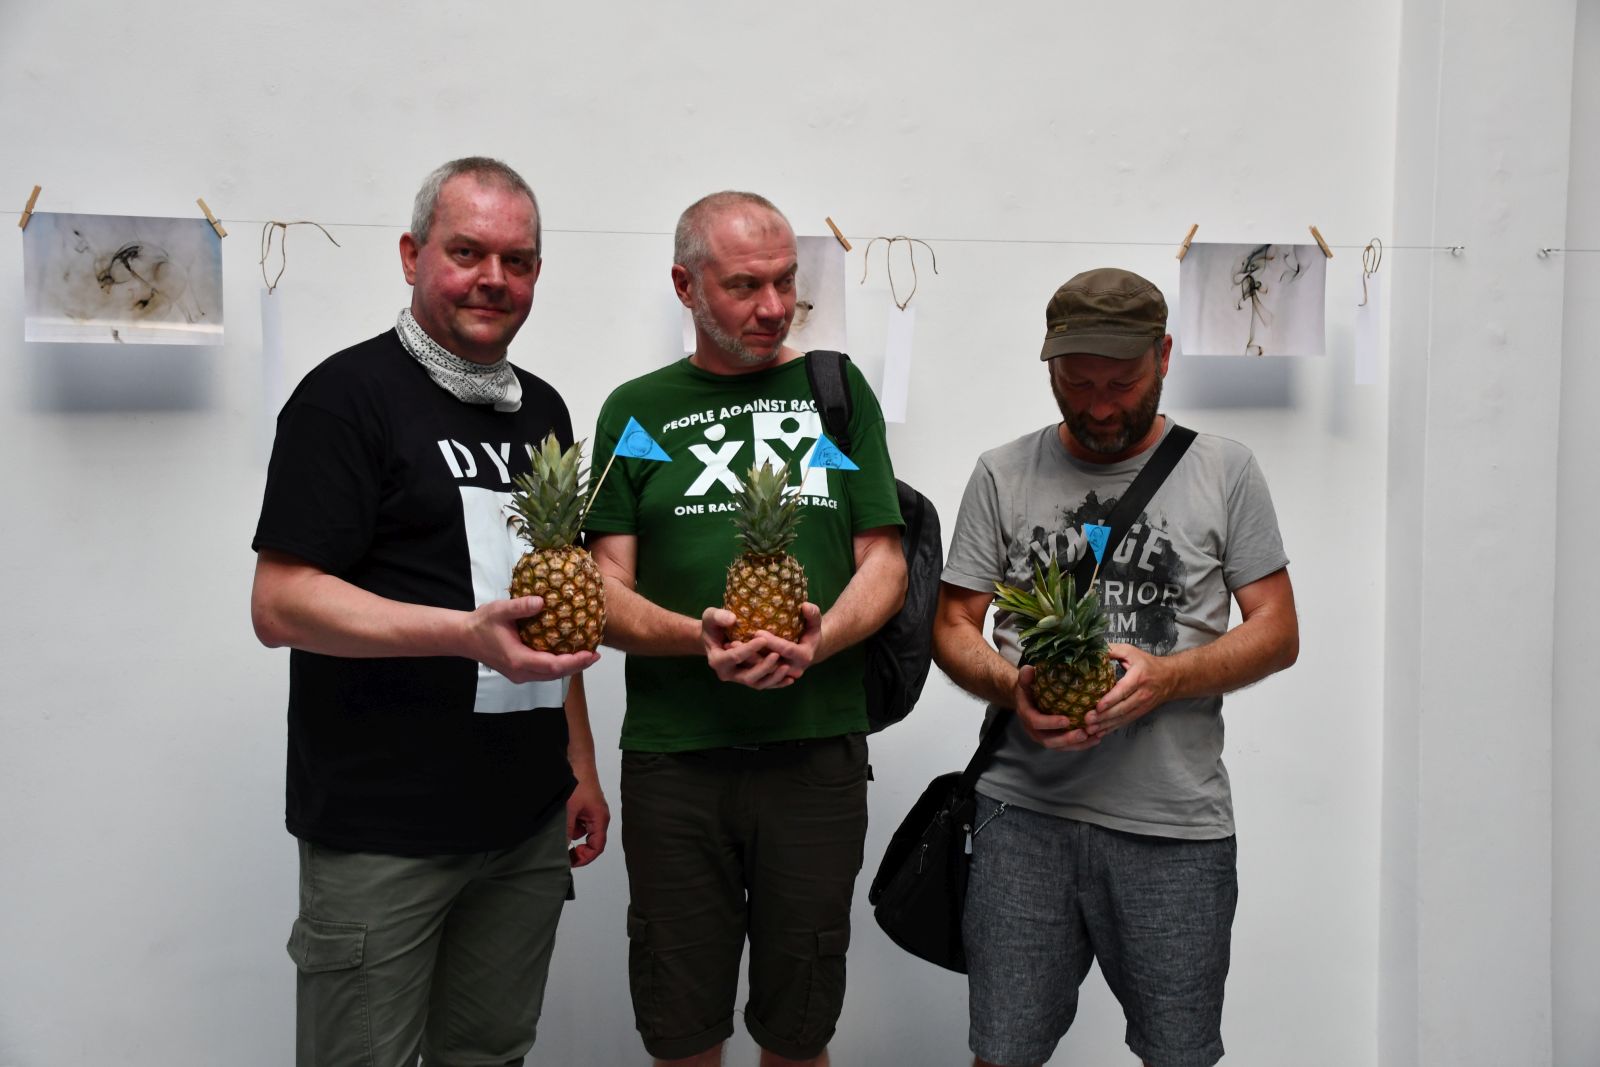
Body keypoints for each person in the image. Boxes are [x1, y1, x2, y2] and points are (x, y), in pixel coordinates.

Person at [249, 156, 608, 1067]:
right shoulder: (345, 397)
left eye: (517, 260)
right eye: (467, 252)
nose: (494, 278)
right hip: (384, 831)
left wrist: (579, 762)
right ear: (413, 255)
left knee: (491, 1054)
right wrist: (462, 634)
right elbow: (280, 602)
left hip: (524, 822)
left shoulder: (543, 410)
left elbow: (553, 606)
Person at [933, 267, 1299, 1067]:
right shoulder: (1002, 472)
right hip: (1020, 816)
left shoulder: (1225, 470)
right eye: (1078, 382)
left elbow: (1277, 630)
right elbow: (954, 623)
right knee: (1001, 1051)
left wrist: (1169, 677)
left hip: (1174, 827)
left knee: (1179, 1054)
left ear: (1163, 356)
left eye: (1121, 383)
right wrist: (1012, 685)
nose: (1099, 406)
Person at [583, 191, 907, 1066]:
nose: (772, 306)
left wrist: (820, 640)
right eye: (743, 286)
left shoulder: (834, 391)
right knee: (682, 1027)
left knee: (799, 1027)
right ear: (685, 285)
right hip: (675, 758)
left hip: (816, 754)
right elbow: (602, 586)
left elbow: (885, 561)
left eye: (785, 282)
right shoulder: (638, 412)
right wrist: (698, 638)